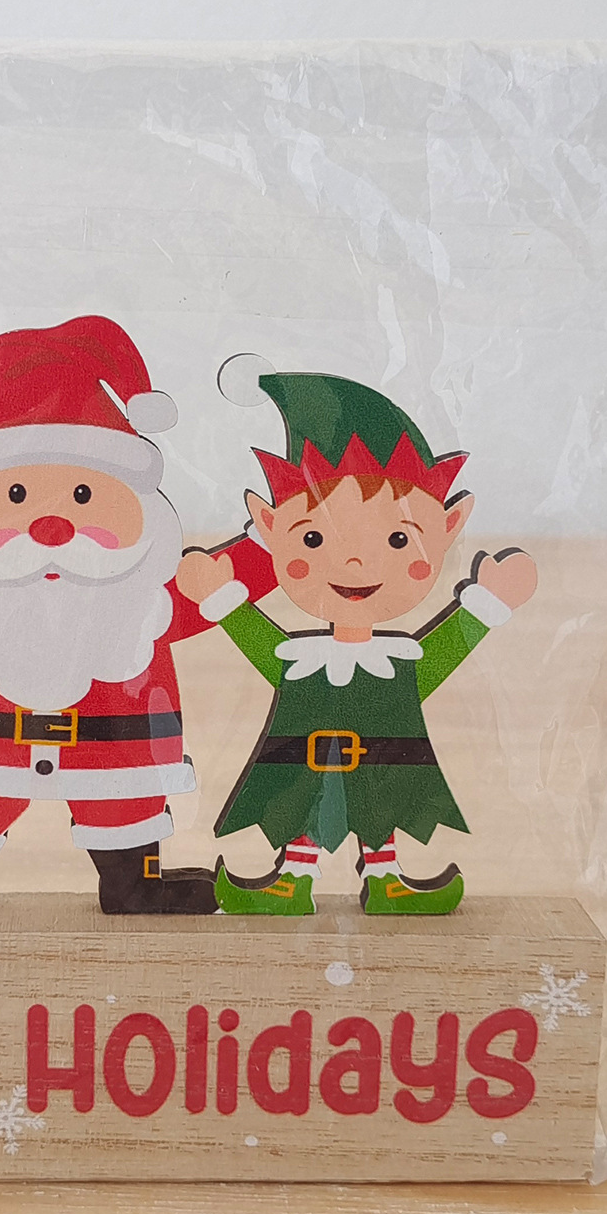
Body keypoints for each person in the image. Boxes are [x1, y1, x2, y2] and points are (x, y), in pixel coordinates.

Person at [0, 315, 277, 915]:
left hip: (112, 740)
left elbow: (214, 588)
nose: (53, 526)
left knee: (121, 803)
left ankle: (133, 883)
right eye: (15, 495)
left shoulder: (141, 596)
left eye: (84, 495)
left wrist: (276, 546)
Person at [175, 367, 537, 916]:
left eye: (397, 539)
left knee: (380, 808)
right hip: (305, 758)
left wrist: (483, 610)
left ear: (450, 526)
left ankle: (385, 881)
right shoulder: (300, 660)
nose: (353, 564)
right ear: (268, 528)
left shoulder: (397, 662)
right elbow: (266, 652)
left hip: (384, 758)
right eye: (313, 538)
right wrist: (223, 603)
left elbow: (436, 663)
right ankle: (293, 881)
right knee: (302, 810)